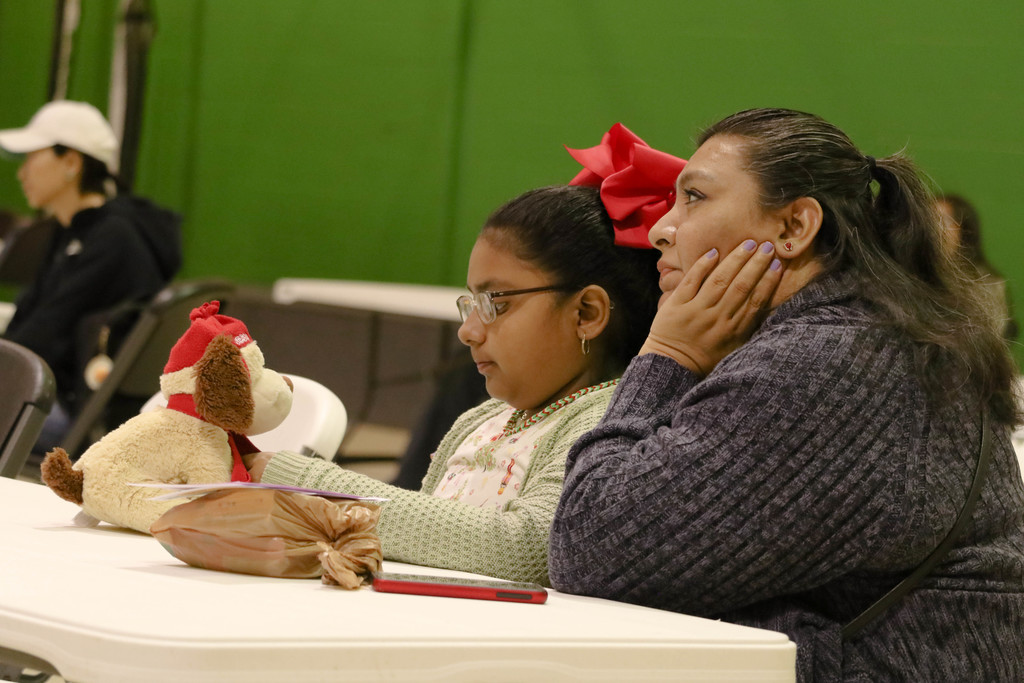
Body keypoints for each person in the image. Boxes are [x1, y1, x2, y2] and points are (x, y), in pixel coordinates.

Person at [549, 108, 1024, 680]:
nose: (660, 229)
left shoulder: (830, 364)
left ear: (794, 227)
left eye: (695, 198)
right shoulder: (864, 338)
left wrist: (665, 357)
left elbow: (590, 549)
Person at [246, 183, 664, 584]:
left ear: (586, 313)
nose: (468, 331)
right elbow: (422, 532)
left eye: (495, 303)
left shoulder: (609, 422)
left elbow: (533, 547)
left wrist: (306, 483)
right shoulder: (482, 419)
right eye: (470, 303)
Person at [0, 100, 182, 446]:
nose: (22, 173)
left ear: (71, 162)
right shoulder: (73, 229)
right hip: (59, 395)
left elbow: (44, 338)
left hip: (75, 413)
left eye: (31, 158)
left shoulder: (113, 238)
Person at [935, 192, 1018, 340]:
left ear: (964, 231)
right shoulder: (915, 274)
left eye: (941, 221)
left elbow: (987, 342)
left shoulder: (989, 286)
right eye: (928, 220)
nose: (933, 229)